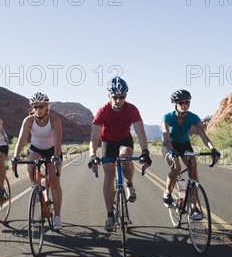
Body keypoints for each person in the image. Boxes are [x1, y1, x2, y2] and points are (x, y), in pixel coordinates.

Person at [88, 77, 152, 232]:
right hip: (108, 141)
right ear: (109, 95)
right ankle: (110, 216)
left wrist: (145, 152)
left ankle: (129, 185)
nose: (118, 100)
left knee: (125, 156)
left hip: (124, 139)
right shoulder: (103, 111)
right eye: (115, 97)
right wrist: (92, 155)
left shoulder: (132, 109)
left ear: (126, 97)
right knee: (109, 173)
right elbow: (94, 137)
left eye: (121, 97)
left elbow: (141, 133)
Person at [161, 90, 220, 219]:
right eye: (181, 102)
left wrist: (212, 149)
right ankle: (167, 192)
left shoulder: (193, 117)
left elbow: (203, 135)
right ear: (175, 104)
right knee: (176, 168)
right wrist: (171, 150)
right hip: (169, 145)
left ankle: (193, 207)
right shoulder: (167, 117)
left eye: (187, 102)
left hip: (184, 145)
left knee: (193, 169)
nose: (184, 104)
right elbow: (165, 135)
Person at [11, 92, 64, 230]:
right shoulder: (28, 120)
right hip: (36, 149)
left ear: (47, 106)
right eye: (35, 107)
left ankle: (57, 216)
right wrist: (16, 155)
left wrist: (56, 156)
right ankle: (36, 187)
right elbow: (22, 139)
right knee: (31, 167)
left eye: (41, 106)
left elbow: (58, 142)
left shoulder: (55, 120)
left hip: (52, 150)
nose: (38, 110)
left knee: (54, 180)